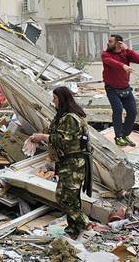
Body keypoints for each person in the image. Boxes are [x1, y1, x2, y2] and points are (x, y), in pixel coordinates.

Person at [29, 87, 92, 239]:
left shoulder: (71, 117)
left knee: (65, 198)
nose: (53, 101)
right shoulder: (63, 116)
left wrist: (44, 137)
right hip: (67, 162)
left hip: (74, 163)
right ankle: (73, 230)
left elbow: (64, 140)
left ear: (62, 99)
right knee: (69, 197)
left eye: (55, 98)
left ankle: (83, 223)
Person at [101, 34, 139, 147]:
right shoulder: (105, 54)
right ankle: (118, 137)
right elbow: (111, 62)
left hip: (125, 88)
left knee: (133, 112)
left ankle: (125, 135)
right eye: (108, 41)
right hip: (112, 89)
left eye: (110, 42)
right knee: (118, 110)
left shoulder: (126, 53)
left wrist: (127, 49)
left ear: (118, 43)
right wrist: (123, 66)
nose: (108, 43)